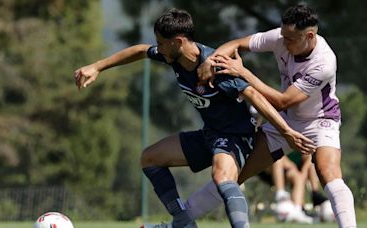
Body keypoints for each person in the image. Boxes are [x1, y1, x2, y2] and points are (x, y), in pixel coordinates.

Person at [74, 8, 315, 228]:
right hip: (209, 134)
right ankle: (183, 222)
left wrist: (286, 131)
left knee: (221, 176)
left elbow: (254, 96)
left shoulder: (217, 66)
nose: (157, 47)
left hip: (235, 137)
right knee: (150, 158)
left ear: (178, 42)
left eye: (161, 43)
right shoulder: (173, 55)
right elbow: (139, 50)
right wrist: (97, 66)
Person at [188, 4, 356, 228]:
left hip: (320, 121)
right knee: (232, 176)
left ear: (309, 35)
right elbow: (236, 44)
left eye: (290, 39)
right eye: (283, 35)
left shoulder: (324, 62)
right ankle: (179, 222)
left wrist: (244, 72)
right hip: (284, 120)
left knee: (328, 172)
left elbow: (282, 100)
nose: (283, 43)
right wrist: (211, 60)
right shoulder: (281, 36)